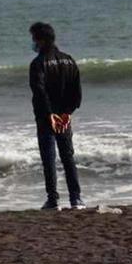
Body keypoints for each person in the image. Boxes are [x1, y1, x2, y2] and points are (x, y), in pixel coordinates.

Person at [29, 21, 84, 210]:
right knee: (68, 158)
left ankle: (53, 199)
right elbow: (76, 92)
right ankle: (76, 199)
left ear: (41, 40)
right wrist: (68, 113)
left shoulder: (38, 64)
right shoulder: (69, 60)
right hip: (65, 117)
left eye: (34, 38)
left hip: (47, 118)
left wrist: (49, 114)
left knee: (49, 159)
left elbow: (39, 91)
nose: (33, 42)